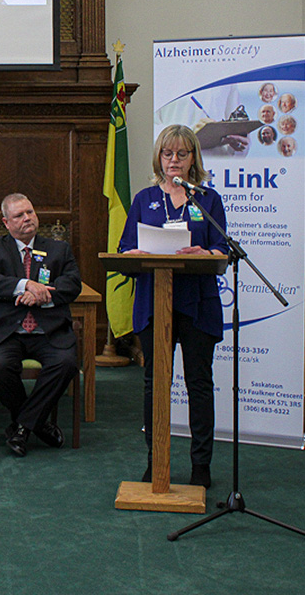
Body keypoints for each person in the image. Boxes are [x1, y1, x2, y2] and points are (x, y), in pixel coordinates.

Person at [118, 124, 229, 489]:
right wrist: (133, 255)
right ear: (159, 158)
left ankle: (201, 465)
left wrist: (205, 252)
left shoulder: (207, 200)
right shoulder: (144, 199)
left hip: (197, 303)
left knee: (198, 383)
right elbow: (124, 251)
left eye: (182, 154)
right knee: (155, 384)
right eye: (168, 154)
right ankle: (157, 459)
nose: (174, 161)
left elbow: (222, 251)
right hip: (155, 302)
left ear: (193, 157)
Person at [0, 194, 81, 457]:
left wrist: (43, 294)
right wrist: (24, 285)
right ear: (6, 222)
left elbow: (72, 284)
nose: (27, 219)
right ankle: (39, 424)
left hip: (48, 330)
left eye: (30, 213)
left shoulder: (59, 249)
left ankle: (22, 427)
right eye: (19, 215)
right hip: (7, 332)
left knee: (66, 364)